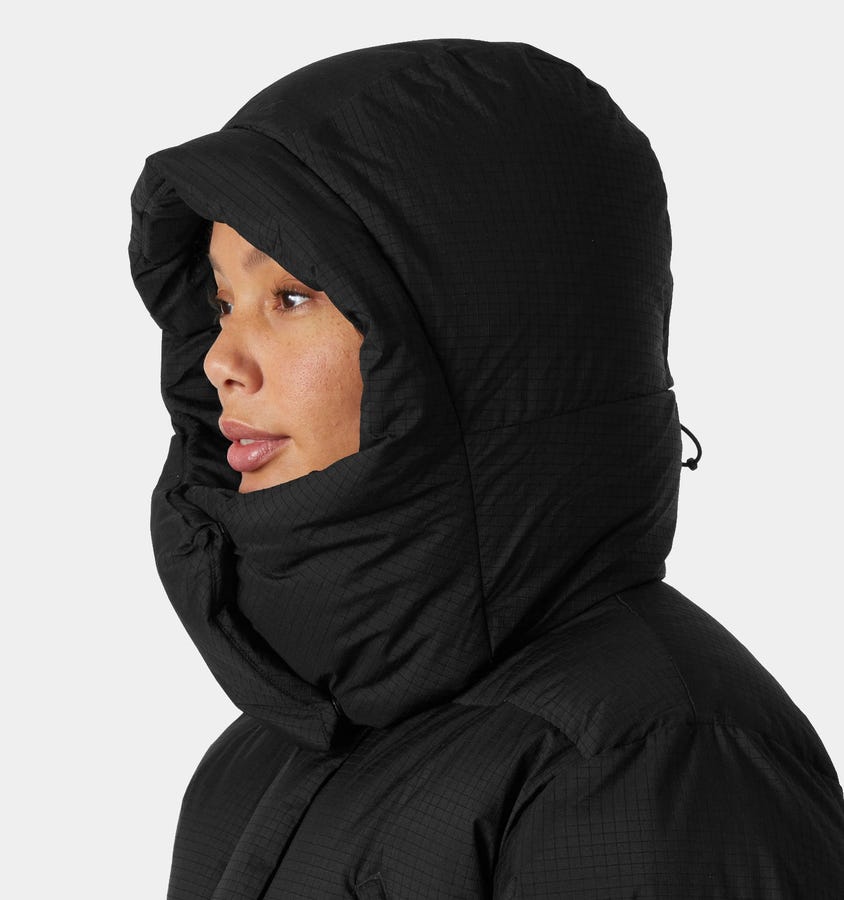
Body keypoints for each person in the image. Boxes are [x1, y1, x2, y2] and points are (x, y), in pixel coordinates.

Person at [128, 37, 844, 899]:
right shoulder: (255, 761)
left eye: (291, 297)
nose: (220, 361)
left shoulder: (643, 765)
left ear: (473, 345)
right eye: (221, 302)